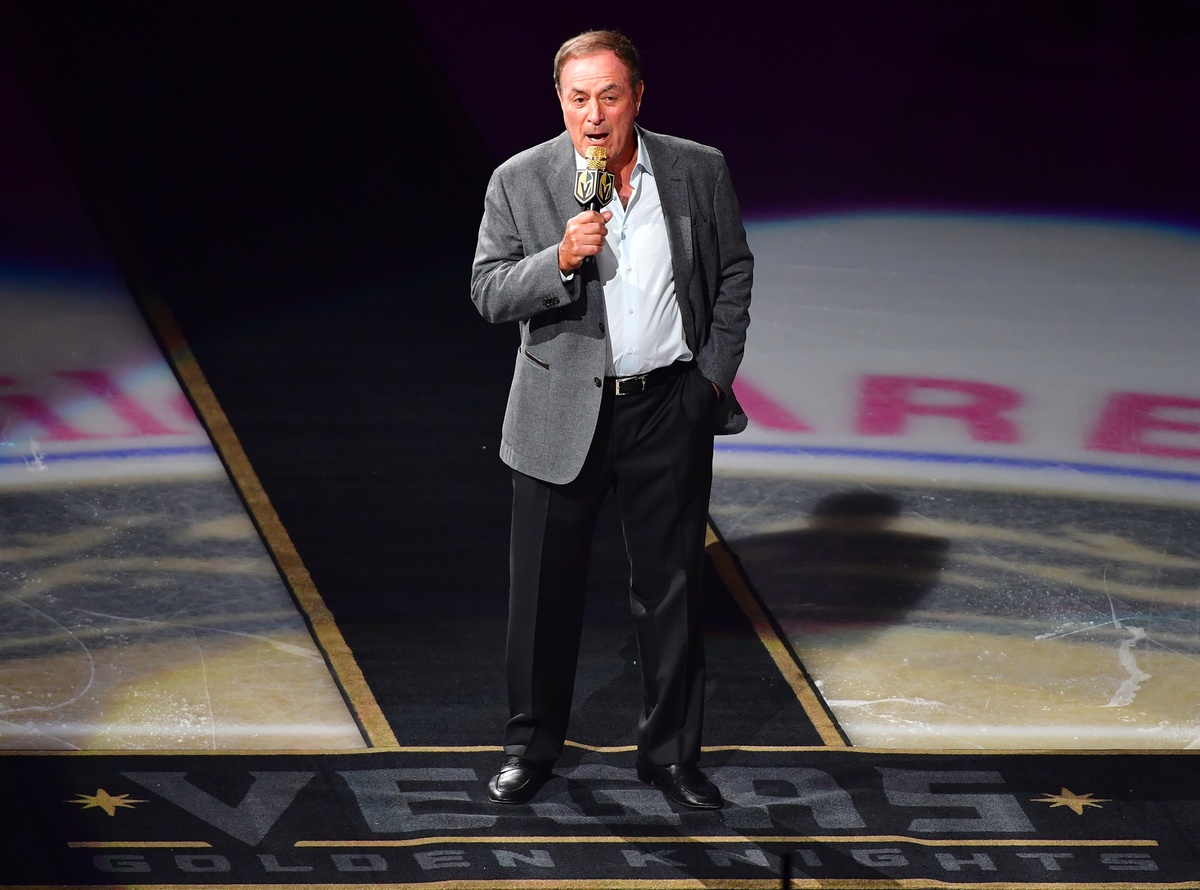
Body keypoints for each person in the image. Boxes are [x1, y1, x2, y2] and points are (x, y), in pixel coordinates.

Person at [470, 29, 752, 809]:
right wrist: (559, 258)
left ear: (637, 97)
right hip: (560, 410)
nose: (593, 114)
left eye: (610, 96)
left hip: (667, 407)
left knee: (672, 592)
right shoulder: (520, 181)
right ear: (561, 100)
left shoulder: (698, 169)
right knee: (542, 597)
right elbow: (488, 290)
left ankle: (669, 756)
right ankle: (529, 749)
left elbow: (732, 271)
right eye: (578, 97)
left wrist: (709, 382)